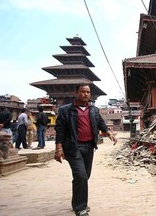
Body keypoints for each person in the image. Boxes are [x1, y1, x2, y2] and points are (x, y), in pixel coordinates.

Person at [54, 84, 117, 216]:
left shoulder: (93, 110)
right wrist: (58, 149)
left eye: (88, 92)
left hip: (89, 146)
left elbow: (100, 123)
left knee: (84, 175)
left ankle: (76, 201)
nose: (86, 94)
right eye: (83, 92)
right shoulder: (66, 110)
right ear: (76, 93)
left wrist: (108, 133)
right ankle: (80, 208)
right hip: (73, 147)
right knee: (80, 175)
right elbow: (60, 130)